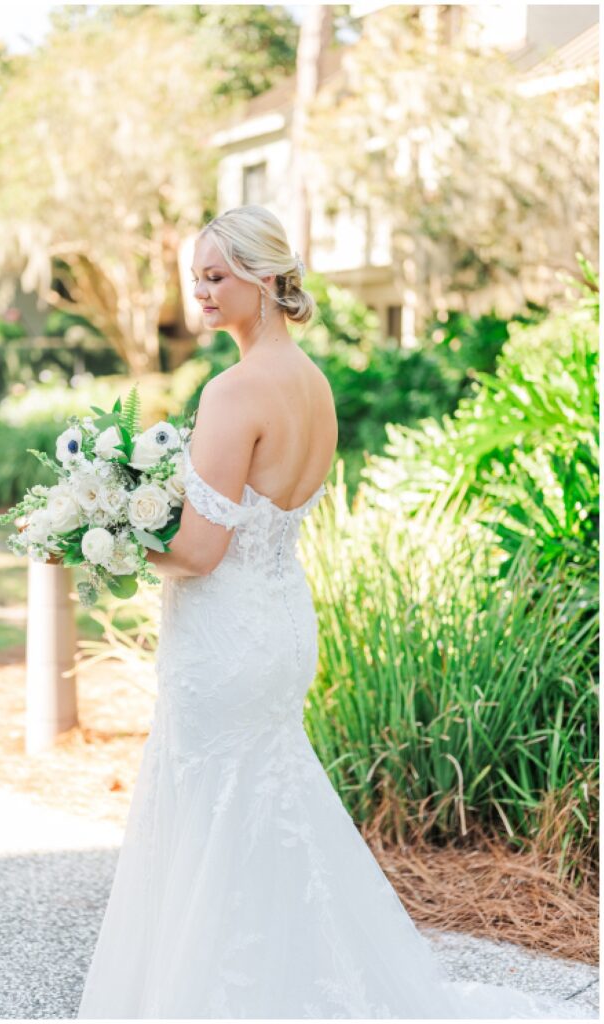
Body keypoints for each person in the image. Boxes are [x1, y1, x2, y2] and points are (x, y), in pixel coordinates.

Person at [76, 206, 592, 1019]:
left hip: (224, 631)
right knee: (263, 800)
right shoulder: (313, 384)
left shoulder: (232, 391)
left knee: (214, 806)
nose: (201, 293)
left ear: (266, 278)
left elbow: (201, 551)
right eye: (196, 277)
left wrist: (95, 538)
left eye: (216, 276)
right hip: (280, 619)